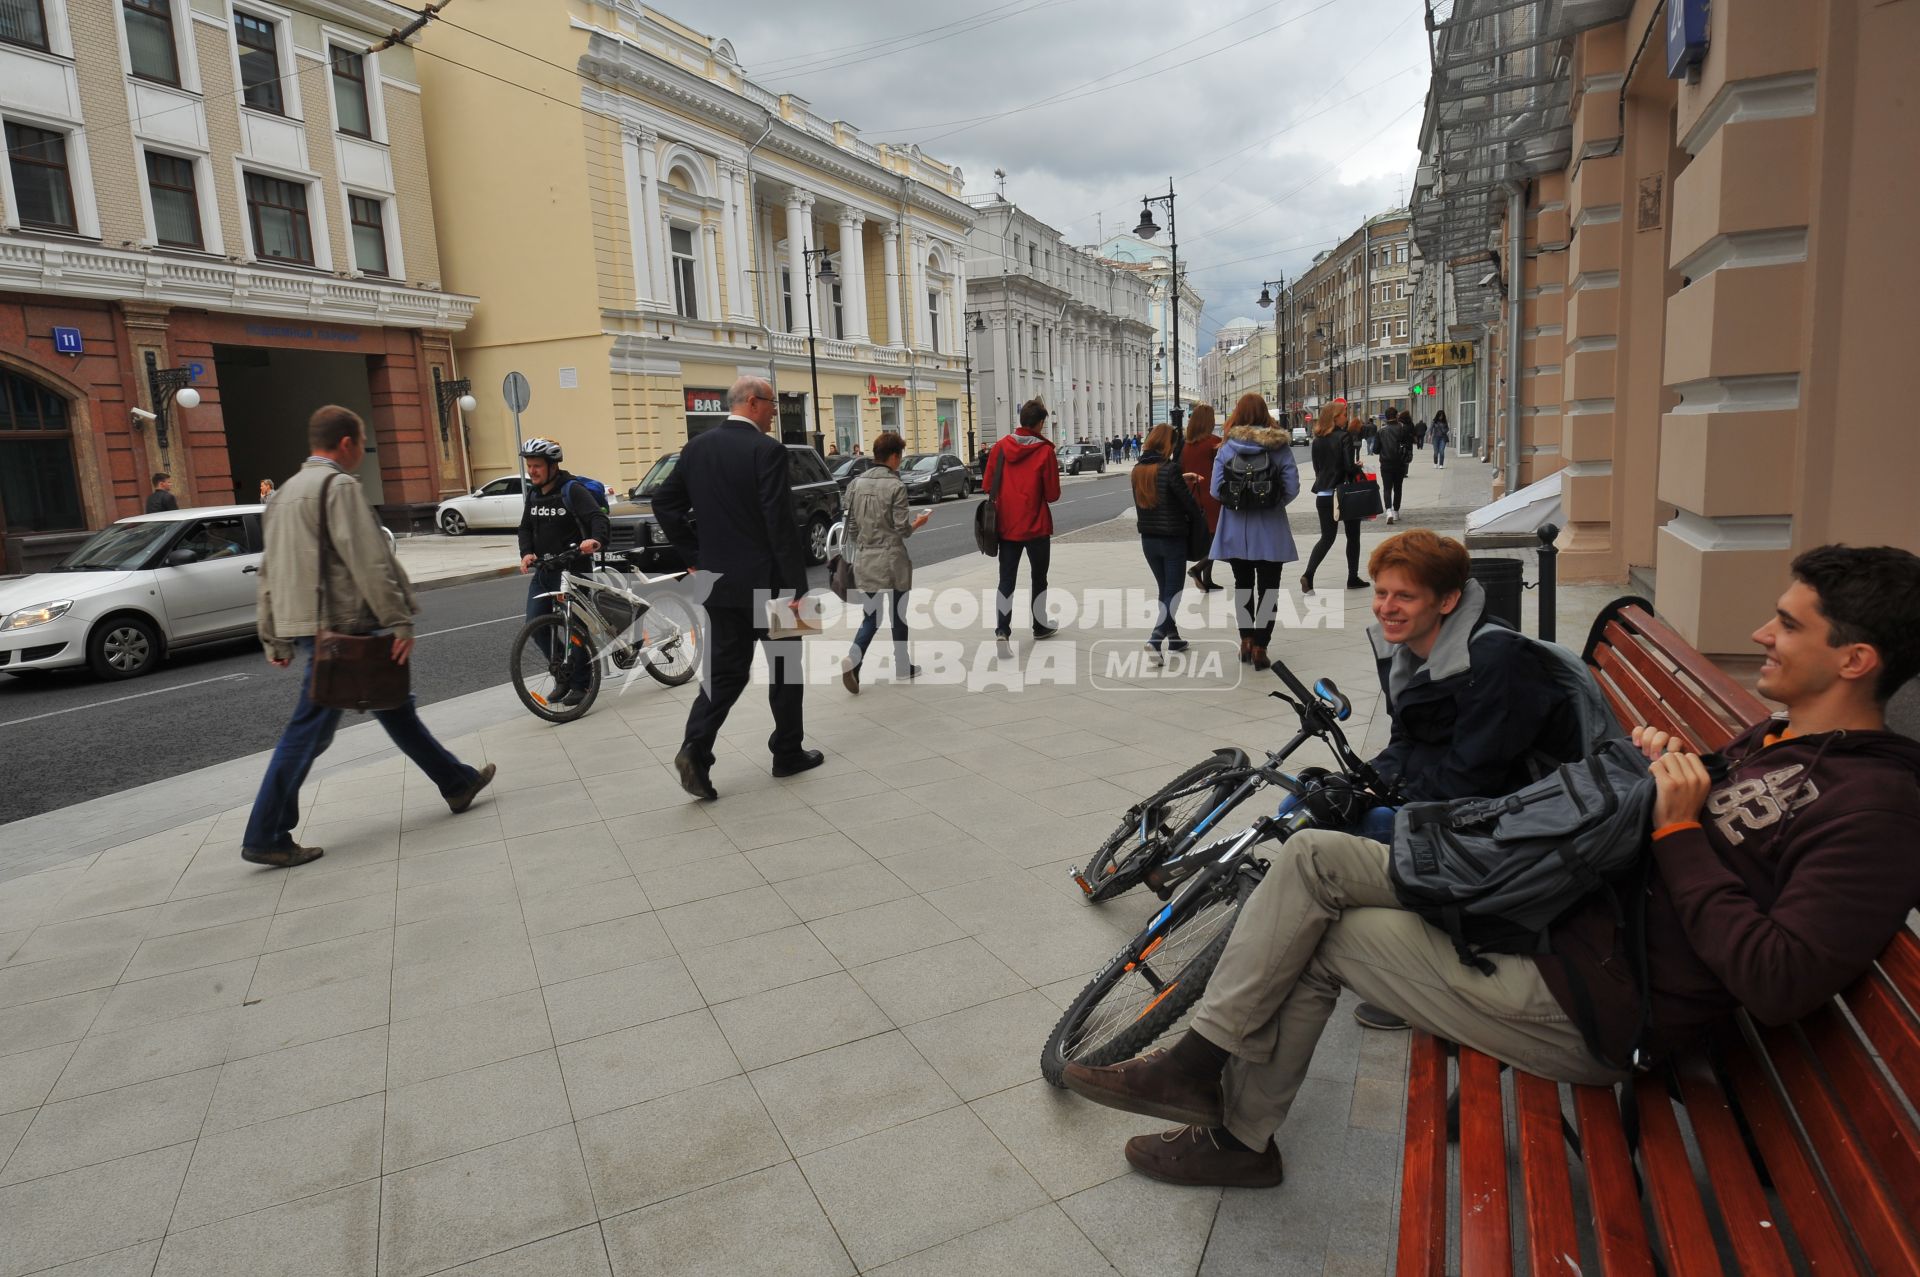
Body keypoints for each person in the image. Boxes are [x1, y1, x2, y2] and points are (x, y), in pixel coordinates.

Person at [1061, 543, 1920, 1189]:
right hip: (1553, 923)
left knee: (1319, 931)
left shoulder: (1876, 807)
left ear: (1856, 660)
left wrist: (1678, 830)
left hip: (1593, 1007)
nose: (1762, 633)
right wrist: (1659, 766)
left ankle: (1232, 1129)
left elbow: (1777, 977)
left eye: (1790, 624)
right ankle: (1202, 1070)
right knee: (1316, 857)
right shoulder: (1780, 740)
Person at [244, 406, 495, 868]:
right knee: (307, 733)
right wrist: (398, 619)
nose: (362, 450)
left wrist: (272, 636)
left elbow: (268, 572)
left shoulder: (282, 495)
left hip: (310, 628)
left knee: (396, 708)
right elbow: (369, 561)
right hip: (341, 632)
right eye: (362, 442)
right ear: (346, 443)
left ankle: (457, 783)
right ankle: (266, 833)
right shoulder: (338, 487)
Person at [653, 377, 820, 800]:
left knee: (725, 673)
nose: (775, 412)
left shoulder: (696, 449)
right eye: (771, 405)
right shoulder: (766, 450)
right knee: (785, 669)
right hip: (771, 585)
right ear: (751, 403)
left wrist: (693, 554)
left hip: (718, 583)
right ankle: (787, 753)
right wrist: (797, 586)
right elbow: (777, 521)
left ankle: (696, 748)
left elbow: (664, 504)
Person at [515, 438, 610, 709]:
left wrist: (595, 541)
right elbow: (524, 528)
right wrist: (526, 552)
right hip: (544, 571)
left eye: (537, 466)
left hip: (573, 571)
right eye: (529, 466)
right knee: (536, 626)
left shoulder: (572, 490)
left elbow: (598, 518)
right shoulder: (533, 495)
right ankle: (563, 675)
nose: (532, 471)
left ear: (553, 466)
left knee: (574, 631)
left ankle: (582, 683)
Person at [1209, 395, 1299, 672]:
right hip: (1271, 531)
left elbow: (1215, 490)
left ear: (1237, 414)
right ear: (1265, 414)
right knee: (1269, 590)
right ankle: (1261, 646)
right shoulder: (1279, 447)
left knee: (1243, 587)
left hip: (1236, 530)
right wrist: (1272, 504)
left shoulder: (1226, 448)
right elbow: (1292, 487)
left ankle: (1246, 641)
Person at [841, 430, 930, 694]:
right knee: (898, 614)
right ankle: (903, 665)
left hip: (866, 557)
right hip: (893, 559)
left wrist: (864, 543)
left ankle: (854, 661)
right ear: (893, 456)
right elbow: (902, 529)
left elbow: (852, 528)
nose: (900, 462)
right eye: (899, 457)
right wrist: (918, 522)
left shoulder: (855, 484)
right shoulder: (896, 486)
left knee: (871, 616)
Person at [983, 399, 1062, 652]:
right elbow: (1052, 495)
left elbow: (987, 485)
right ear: (1039, 424)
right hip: (1037, 525)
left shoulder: (1000, 447)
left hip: (1006, 525)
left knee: (1006, 580)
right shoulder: (1045, 451)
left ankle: (1002, 631)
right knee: (1039, 578)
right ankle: (1040, 626)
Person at [1133, 423, 1207, 660]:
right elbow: (1190, 507)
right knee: (1173, 593)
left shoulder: (1138, 471)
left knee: (1165, 590)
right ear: (1168, 444)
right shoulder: (1170, 469)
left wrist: (1180, 478)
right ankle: (1155, 640)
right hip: (1172, 540)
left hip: (1148, 541)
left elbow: (1157, 491)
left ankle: (1173, 639)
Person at [1298, 402, 1367, 594]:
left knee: (1327, 537)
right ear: (1335, 418)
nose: (1347, 417)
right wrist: (1357, 465)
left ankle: (1308, 575)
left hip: (1324, 494)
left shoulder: (1318, 439)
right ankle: (1352, 577)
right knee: (1353, 536)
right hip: (1344, 493)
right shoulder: (1343, 436)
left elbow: (1317, 469)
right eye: (1344, 414)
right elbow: (1347, 467)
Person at [1181, 405, 1224, 593]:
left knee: (1208, 537)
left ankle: (1207, 579)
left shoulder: (1185, 445)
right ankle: (1198, 569)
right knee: (1218, 539)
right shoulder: (1215, 443)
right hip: (1211, 495)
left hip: (1192, 495)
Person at [1375, 411, 1410, 526]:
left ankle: (1388, 510)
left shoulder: (1381, 431)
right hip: (1399, 463)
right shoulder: (1402, 429)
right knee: (1398, 488)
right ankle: (1396, 512)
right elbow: (1408, 445)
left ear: (1385, 417)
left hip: (1385, 463)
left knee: (1387, 488)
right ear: (1396, 416)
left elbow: (1375, 449)